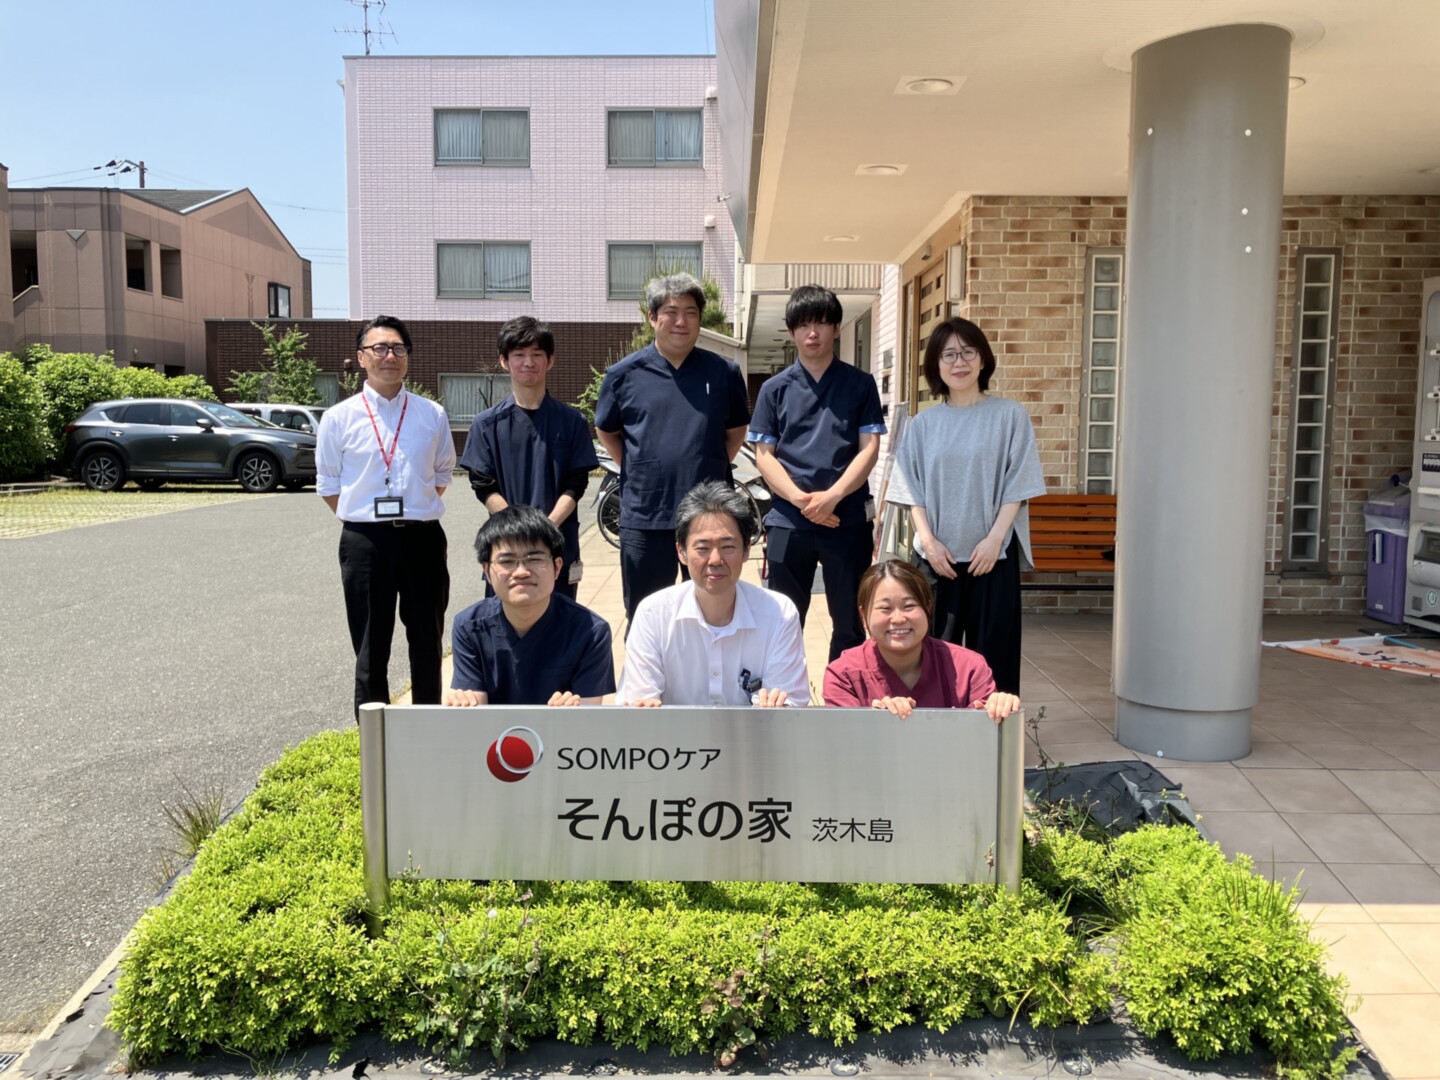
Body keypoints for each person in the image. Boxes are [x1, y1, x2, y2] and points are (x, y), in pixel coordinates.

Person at [884, 316, 1045, 695]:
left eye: (968, 352)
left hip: (992, 557)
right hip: (937, 561)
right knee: (934, 659)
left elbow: (1018, 485)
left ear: (983, 359)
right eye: (949, 355)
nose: (959, 362)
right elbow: (910, 489)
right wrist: (928, 541)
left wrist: (995, 539)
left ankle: (994, 728)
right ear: (936, 365)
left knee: (996, 661)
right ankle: (937, 725)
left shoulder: (1010, 416)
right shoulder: (924, 425)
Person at [316, 315, 456, 717]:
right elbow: (328, 484)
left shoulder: (432, 414)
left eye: (398, 348)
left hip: (422, 538)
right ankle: (375, 740)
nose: (389, 356)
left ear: (408, 356)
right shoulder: (338, 418)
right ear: (362, 357)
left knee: (427, 640)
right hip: (365, 542)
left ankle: (426, 730)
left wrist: (413, 508)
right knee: (370, 645)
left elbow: (443, 472)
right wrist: (364, 520)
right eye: (379, 348)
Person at [595, 273, 751, 623]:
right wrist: (638, 468)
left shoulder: (723, 372)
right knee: (646, 615)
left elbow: (736, 431)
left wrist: (706, 462)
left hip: (709, 516)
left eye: (691, 312)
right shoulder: (623, 375)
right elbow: (607, 430)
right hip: (646, 515)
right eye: (671, 312)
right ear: (653, 317)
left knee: (713, 611)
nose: (682, 321)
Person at [748, 284, 886, 661]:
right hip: (787, 522)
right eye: (804, 325)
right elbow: (764, 455)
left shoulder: (860, 385)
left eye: (822, 323)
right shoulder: (774, 389)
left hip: (847, 519)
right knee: (782, 619)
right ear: (791, 331)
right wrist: (801, 500)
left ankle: (844, 691)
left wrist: (833, 496)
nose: (813, 333)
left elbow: (869, 449)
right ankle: (785, 691)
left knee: (850, 621)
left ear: (837, 328)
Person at [618, 480, 808, 707]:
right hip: (674, 733)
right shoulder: (653, 614)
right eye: (702, 548)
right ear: (681, 552)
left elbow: (790, 706)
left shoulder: (779, 613)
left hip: (756, 732)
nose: (716, 560)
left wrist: (778, 706)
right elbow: (638, 701)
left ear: (746, 550)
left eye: (728, 547)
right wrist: (643, 708)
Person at [458, 317, 597, 600]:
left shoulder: (572, 422)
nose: (528, 362)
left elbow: (576, 484)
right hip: (506, 545)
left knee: (559, 617)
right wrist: (519, 531)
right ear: (504, 361)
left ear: (550, 361)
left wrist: (546, 528)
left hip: (557, 543)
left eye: (536, 354)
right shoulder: (486, 425)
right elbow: (483, 484)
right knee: (504, 618)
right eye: (519, 354)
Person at [445, 506, 615, 706]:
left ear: (557, 567)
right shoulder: (469, 627)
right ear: (487, 571)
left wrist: (569, 716)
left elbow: (588, 714)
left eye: (534, 559)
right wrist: (464, 705)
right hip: (497, 730)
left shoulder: (591, 631)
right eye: (507, 561)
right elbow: (477, 710)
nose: (521, 572)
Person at [823, 561, 1020, 722]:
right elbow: (845, 746)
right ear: (863, 615)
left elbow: (985, 742)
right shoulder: (843, 676)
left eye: (909, 606)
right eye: (885, 608)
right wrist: (878, 723)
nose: (898, 618)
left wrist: (1000, 708)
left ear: (928, 608)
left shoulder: (970, 668)